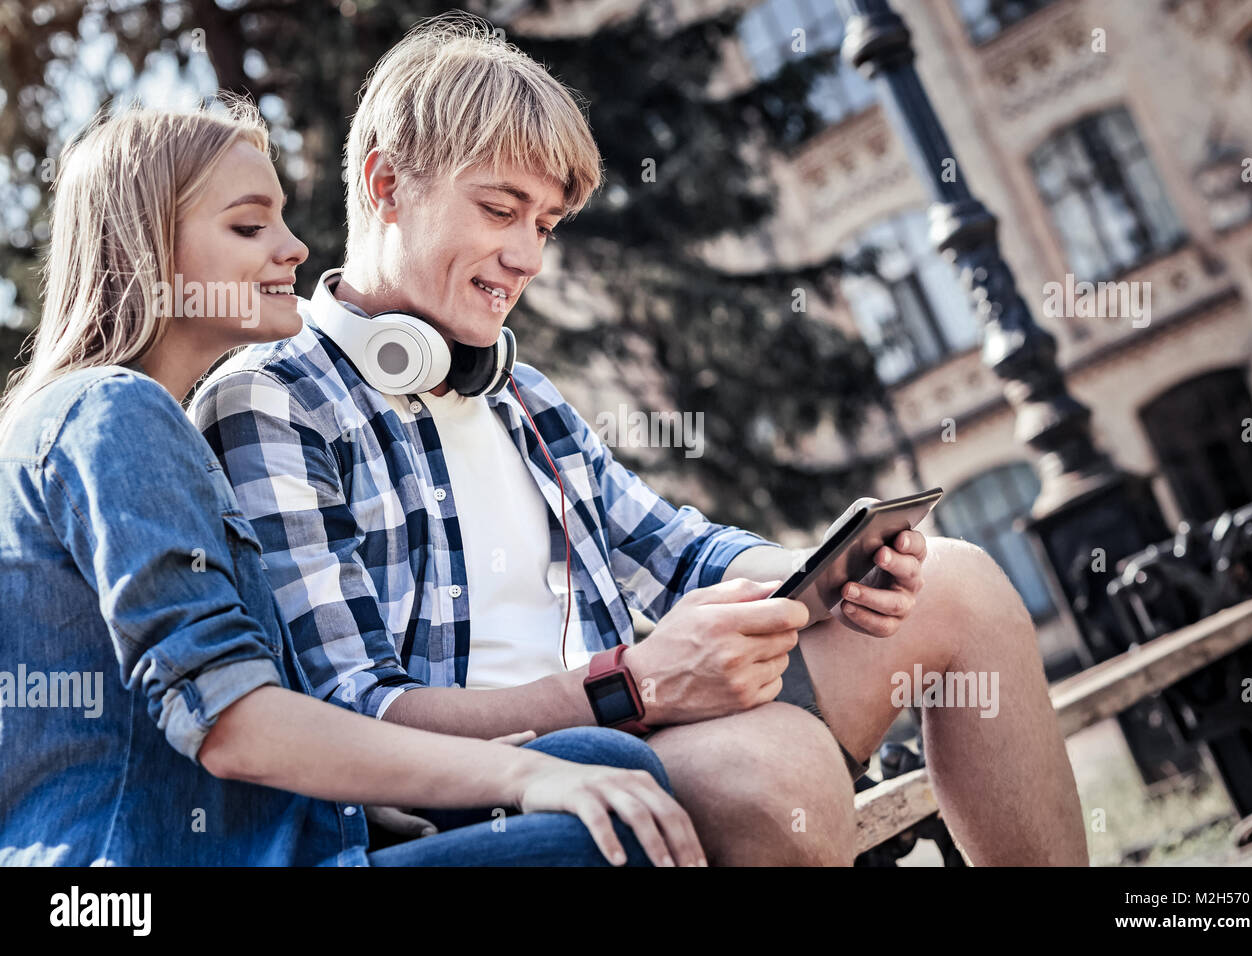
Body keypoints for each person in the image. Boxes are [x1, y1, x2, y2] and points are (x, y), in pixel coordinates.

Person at [194, 13, 1090, 866]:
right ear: (388, 186)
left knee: (958, 582)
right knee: (776, 776)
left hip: (639, 717)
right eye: (501, 210)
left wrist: (836, 568)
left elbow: (676, 551)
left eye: (544, 226)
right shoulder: (272, 403)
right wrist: (634, 685)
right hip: (485, 789)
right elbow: (358, 713)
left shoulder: (518, 393)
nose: (528, 259)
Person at [0, 101, 707, 867]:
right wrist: (524, 771)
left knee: (609, 767)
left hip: (274, 843)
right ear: (146, 248)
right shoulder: (111, 412)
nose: (294, 248)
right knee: (605, 830)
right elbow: (233, 724)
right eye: (248, 227)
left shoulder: (150, 427)